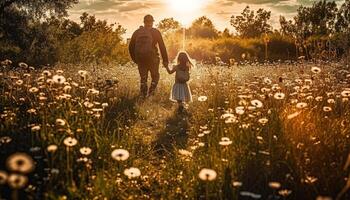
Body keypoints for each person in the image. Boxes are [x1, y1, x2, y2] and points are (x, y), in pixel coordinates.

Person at [128, 14, 169, 98]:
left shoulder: (137, 32)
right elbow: (162, 46)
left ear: (144, 22)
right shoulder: (156, 32)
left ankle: (142, 96)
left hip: (141, 59)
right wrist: (165, 60)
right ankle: (151, 94)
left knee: (143, 78)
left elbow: (130, 46)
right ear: (152, 22)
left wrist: (135, 59)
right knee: (155, 77)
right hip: (153, 58)